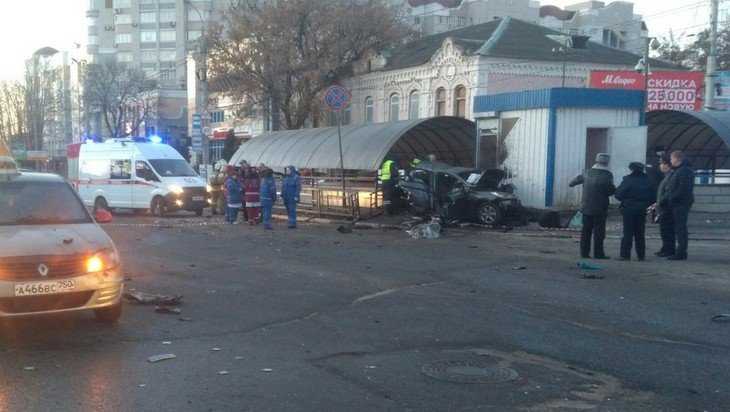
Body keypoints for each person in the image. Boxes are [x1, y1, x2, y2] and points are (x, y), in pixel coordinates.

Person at [569, 153, 616, 259]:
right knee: (599, 232)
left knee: (586, 231)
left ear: (596, 160)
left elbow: (572, 183)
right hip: (600, 208)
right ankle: (598, 254)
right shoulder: (608, 175)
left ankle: (584, 253)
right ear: (607, 162)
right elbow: (611, 191)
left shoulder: (586, 172)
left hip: (586, 207)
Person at [614, 162, 654, 261]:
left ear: (631, 169)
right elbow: (653, 196)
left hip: (628, 209)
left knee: (627, 232)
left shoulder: (628, 180)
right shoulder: (648, 180)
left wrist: (626, 201)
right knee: (640, 233)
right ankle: (641, 255)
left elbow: (618, 194)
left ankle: (625, 255)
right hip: (642, 209)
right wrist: (645, 204)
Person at [663, 150, 695, 260]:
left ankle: (681, 252)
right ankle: (679, 251)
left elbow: (682, 189)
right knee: (678, 228)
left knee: (680, 228)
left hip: (680, 203)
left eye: (672, 159)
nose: (671, 161)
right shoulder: (680, 170)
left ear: (677, 159)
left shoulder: (684, 171)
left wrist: (671, 198)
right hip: (678, 202)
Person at [651, 157, 675, 257]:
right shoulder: (667, 176)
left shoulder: (671, 176)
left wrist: (659, 202)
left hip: (667, 207)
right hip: (663, 206)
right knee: (664, 229)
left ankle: (669, 249)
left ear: (667, 165)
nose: (660, 166)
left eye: (662, 163)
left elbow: (668, 193)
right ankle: (665, 248)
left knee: (667, 229)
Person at [260, 166, 277, 230]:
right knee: (268, 211)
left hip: (262, 198)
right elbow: (272, 190)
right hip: (268, 198)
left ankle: (265, 223)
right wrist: (274, 198)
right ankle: (267, 224)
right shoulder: (271, 180)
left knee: (264, 211)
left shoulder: (263, 179)